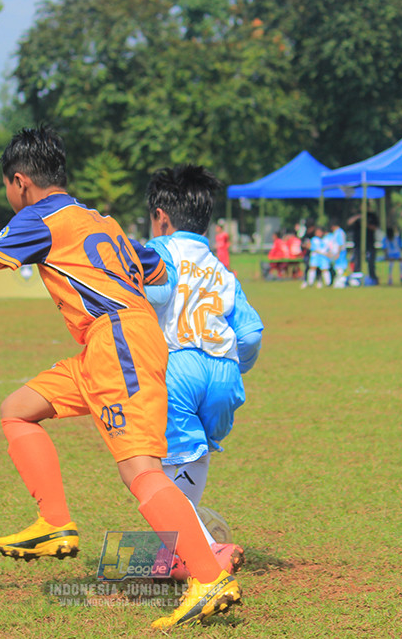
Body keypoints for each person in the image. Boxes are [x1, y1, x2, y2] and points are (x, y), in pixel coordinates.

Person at [0, 127, 241, 628]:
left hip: (117, 340)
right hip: (107, 341)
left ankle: (208, 577)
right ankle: (54, 523)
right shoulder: (99, 219)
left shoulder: (41, 216)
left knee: (140, 471)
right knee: (18, 409)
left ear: (20, 181)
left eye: (7, 187)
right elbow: (158, 270)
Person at [143, 165, 264, 580]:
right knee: (192, 455)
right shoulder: (222, 270)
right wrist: (233, 365)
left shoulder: (159, 249)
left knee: (160, 467)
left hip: (179, 365)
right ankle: (171, 554)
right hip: (225, 372)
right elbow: (250, 333)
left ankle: (208, 548)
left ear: (161, 216)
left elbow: (157, 291)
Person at [347, 210, 379, 284]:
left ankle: (372, 278)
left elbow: (375, 227)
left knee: (371, 262)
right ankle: (356, 279)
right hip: (358, 243)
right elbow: (349, 222)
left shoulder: (372, 216)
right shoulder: (356, 215)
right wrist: (357, 217)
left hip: (369, 243)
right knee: (357, 262)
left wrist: (366, 224)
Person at [328, 220, 349, 287]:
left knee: (340, 269)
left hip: (340, 253)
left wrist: (338, 253)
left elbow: (340, 244)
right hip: (338, 253)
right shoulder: (338, 232)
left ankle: (341, 283)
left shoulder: (339, 232)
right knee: (338, 269)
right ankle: (339, 283)